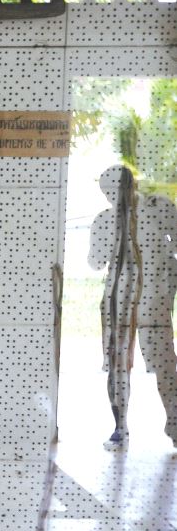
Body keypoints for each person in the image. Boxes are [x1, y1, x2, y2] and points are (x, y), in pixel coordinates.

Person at [88, 165, 177, 448]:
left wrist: (168, 280)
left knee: (162, 365)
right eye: (108, 193)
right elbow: (95, 262)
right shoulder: (106, 220)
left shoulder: (159, 209)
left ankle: (172, 424)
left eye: (113, 191)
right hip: (124, 304)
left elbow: (95, 262)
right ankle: (121, 426)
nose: (112, 197)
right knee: (121, 368)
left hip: (150, 301)